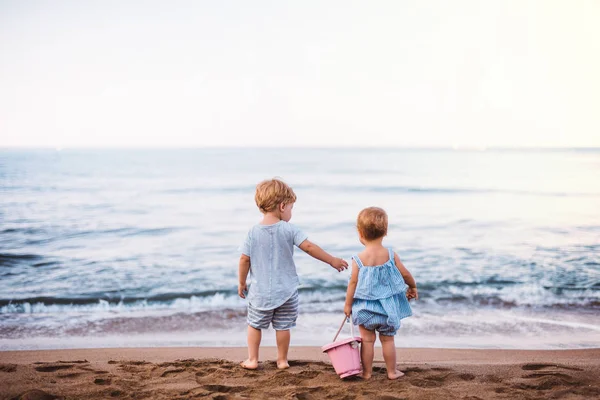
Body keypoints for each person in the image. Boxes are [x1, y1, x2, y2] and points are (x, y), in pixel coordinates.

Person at [238, 178, 348, 370]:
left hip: (260, 293)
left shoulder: (252, 232)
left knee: (255, 325)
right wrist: (332, 260)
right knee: (283, 326)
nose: (290, 212)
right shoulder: (290, 229)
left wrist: (241, 283)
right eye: (290, 208)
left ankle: (253, 359)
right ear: (282, 206)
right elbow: (309, 247)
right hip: (287, 292)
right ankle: (282, 360)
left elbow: (244, 260)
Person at [344, 207, 418, 380]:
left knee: (368, 341)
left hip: (365, 310)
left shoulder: (358, 259)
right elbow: (405, 274)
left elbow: (352, 284)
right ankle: (392, 372)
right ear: (385, 232)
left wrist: (348, 305)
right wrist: (412, 287)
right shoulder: (390, 255)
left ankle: (367, 372)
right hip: (387, 310)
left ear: (360, 233)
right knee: (387, 340)